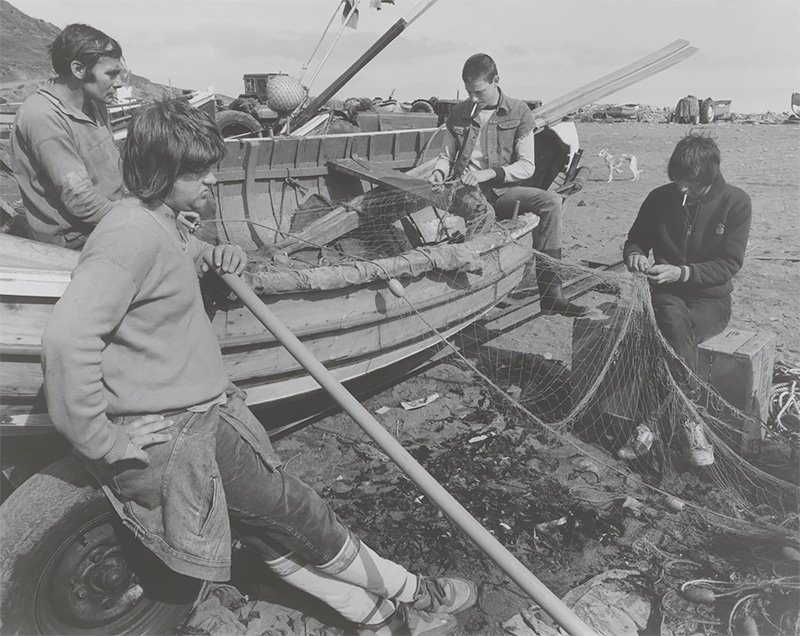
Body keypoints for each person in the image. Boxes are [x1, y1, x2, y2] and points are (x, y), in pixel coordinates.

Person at [41, 97, 476, 636]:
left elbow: (179, 254)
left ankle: (379, 618)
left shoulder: (161, 221)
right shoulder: (126, 234)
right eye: (199, 172)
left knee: (268, 531)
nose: (214, 181)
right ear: (160, 172)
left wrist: (218, 254)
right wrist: (102, 440)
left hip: (203, 409)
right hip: (185, 428)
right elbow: (66, 338)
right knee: (300, 513)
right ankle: (414, 590)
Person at [621, 134, 752, 466]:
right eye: (677, 180)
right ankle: (691, 420)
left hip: (712, 301)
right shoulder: (659, 198)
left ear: (709, 176)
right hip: (666, 294)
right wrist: (635, 255)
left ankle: (650, 423)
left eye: (690, 183)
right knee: (672, 320)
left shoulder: (736, 202)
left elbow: (729, 265)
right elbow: (635, 240)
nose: (681, 189)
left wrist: (682, 273)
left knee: (679, 332)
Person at [428, 53, 589, 317]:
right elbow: (446, 156)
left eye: (478, 92)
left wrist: (488, 174)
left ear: (496, 81)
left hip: (501, 191)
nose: (472, 99)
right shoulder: (458, 114)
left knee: (550, 203)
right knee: (480, 215)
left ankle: (551, 295)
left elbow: (526, 166)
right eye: (468, 92)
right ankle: (480, 287)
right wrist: (438, 172)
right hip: (464, 193)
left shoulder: (519, 112)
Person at [10, 23, 126, 248]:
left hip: (110, 219)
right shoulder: (42, 116)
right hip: (74, 239)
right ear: (78, 69)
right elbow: (80, 200)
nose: (119, 83)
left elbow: (115, 171)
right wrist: (143, 220)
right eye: (111, 74)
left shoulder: (94, 103)